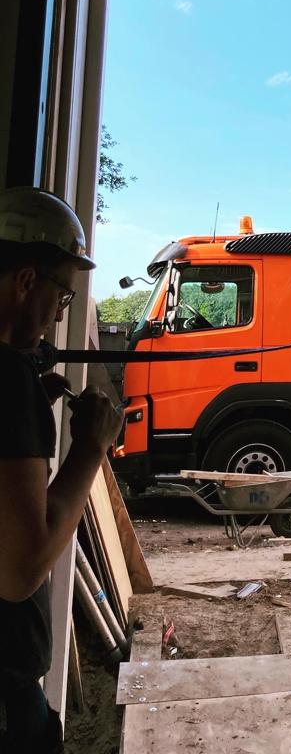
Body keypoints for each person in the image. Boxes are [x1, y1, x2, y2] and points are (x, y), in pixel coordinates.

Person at [0, 188, 123, 752]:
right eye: (61, 295)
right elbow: (21, 569)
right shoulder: (8, 382)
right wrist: (91, 448)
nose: (58, 315)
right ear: (27, 281)